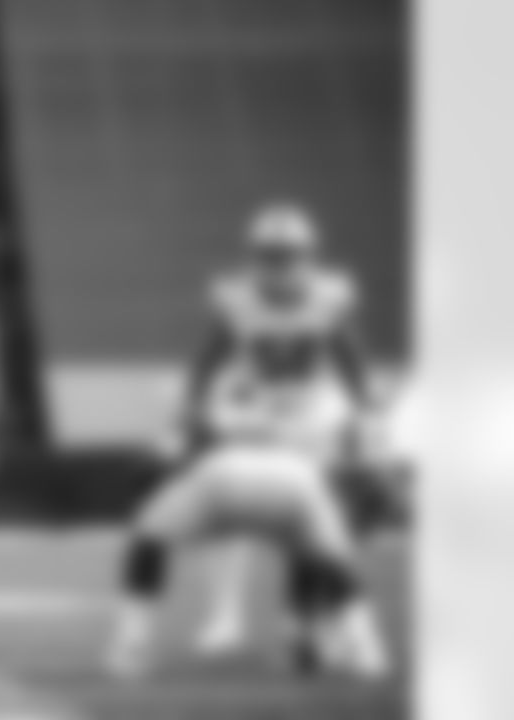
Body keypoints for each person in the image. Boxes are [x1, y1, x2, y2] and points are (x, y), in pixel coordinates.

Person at [108, 202, 390, 679]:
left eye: (287, 255)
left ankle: (309, 624)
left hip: (311, 418)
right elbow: (206, 363)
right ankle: (324, 633)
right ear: (254, 257)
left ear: (308, 256)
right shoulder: (237, 303)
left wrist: (367, 418)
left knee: (319, 535)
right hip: (257, 417)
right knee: (314, 528)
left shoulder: (328, 300)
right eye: (269, 255)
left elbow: (351, 363)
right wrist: (191, 413)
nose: (278, 266)